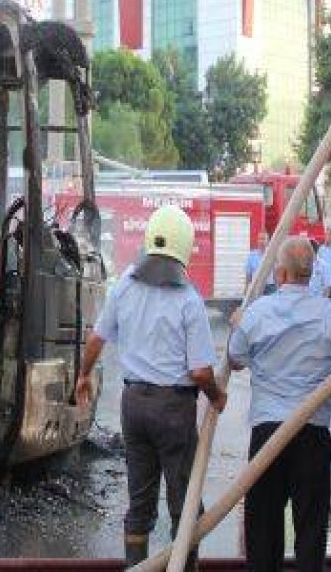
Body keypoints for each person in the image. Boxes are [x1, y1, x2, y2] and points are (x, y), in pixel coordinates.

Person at [75, 205, 227, 568]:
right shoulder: (189, 300)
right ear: (184, 249)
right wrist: (217, 397)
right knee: (183, 501)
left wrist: (82, 375)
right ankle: (184, 566)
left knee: (140, 500)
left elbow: (96, 340)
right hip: (173, 409)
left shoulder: (124, 286)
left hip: (134, 405)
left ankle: (136, 565)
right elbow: (202, 372)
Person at [228, 236, 331, 572]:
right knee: (310, 531)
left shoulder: (257, 313)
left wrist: (239, 324)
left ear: (279, 274)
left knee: (262, 531)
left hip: (267, 437)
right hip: (313, 437)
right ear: (312, 273)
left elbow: (234, 358)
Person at [244, 231, 271, 298]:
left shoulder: (272, 255)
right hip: (256, 285)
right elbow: (248, 274)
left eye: (264, 239)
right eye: (260, 239)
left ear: (268, 241)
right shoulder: (252, 255)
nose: (261, 241)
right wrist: (247, 287)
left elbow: (276, 272)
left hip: (270, 287)